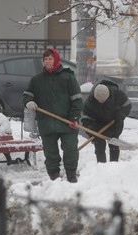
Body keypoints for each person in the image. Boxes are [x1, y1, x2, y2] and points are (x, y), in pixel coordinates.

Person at [23, 48, 83, 183]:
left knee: (70, 149)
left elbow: (77, 99)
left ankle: (71, 175)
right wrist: (29, 101)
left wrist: (74, 117)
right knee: (50, 152)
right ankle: (54, 176)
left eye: (50, 58)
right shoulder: (36, 80)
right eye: (45, 59)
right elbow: (27, 95)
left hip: (67, 121)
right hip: (46, 121)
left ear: (56, 60)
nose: (47, 61)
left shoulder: (68, 77)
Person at [82, 81, 132, 163]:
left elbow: (127, 105)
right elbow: (86, 119)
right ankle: (101, 166)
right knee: (99, 144)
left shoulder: (117, 94)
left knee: (114, 143)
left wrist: (120, 115)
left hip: (115, 121)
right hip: (98, 123)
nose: (102, 102)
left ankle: (114, 165)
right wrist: (91, 130)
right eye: (99, 101)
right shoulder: (90, 102)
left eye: (104, 100)